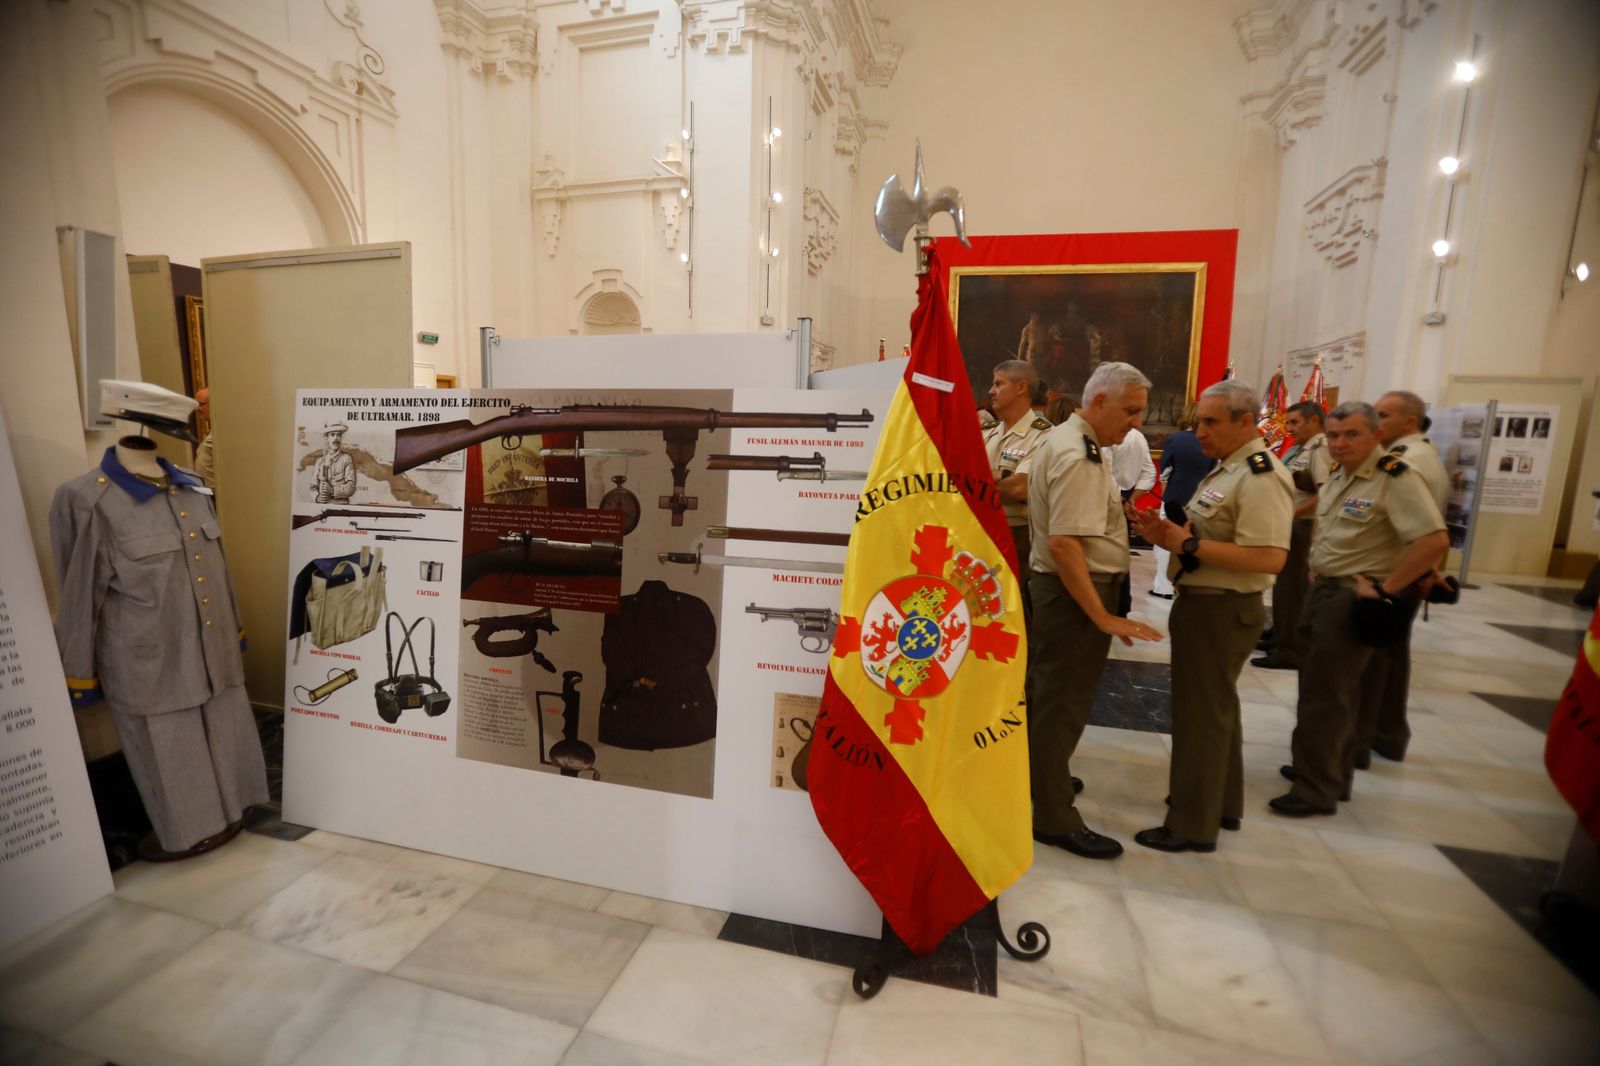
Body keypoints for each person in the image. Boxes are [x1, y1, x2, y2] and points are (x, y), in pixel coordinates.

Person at [1132, 380, 1292, 851]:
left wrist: (1190, 544)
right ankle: (1220, 804)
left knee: (1200, 717)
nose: (1199, 431)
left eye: (1211, 422)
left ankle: (1189, 824)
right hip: (1206, 602)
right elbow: (1208, 535)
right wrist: (1165, 533)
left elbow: (1269, 557)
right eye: (1199, 420)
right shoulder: (1230, 468)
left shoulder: (1259, 475)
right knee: (1218, 712)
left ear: (1246, 421)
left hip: (1222, 608)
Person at [1271, 401, 1447, 817]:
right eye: (1333, 435)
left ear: (1375, 436)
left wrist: (1387, 587)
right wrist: (1317, 565)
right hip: (1325, 590)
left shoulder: (1394, 477)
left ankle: (1315, 788)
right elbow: (1327, 524)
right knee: (1328, 688)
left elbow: (1432, 540)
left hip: (1351, 598)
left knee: (1326, 695)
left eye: (1351, 434)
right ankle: (1328, 770)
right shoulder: (1340, 476)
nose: (1339, 443)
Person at [1025, 362, 1164, 859]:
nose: (1136, 422)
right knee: (1061, 705)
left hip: (1064, 590)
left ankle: (1045, 779)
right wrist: (1103, 616)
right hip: (1074, 596)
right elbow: (1065, 545)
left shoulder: (1070, 440)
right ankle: (1053, 816)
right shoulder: (1078, 453)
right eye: (1130, 410)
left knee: (1050, 698)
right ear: (1099, 401)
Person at [1352, 390, 1450, 763]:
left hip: (1391, 575)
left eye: (1383, 415)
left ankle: (1361, 741)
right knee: (1390, 660)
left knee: (1373, 666)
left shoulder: (1406, 462)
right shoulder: (1421, 454)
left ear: (1409, 421)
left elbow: (1423, 530)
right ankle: (1387, 734)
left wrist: (1392, 583)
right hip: (1404, 573)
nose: (1377, 422)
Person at [1253, 401, 1330, 669]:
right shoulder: (1302, 449)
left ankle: (1292, 649)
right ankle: (1280, 635)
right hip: (1293, 524)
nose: (1290, 428)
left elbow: (1324, 494)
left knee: (1294, 590)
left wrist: (1290, 515)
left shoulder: (1321, 449)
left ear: (1314, 422)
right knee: (1284, 588)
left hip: (1304, 526)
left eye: (1295, 422)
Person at [983, 360, 1053, 628]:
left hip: (1018, 537)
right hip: (978, 532)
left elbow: (1020, 488)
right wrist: (999, 476)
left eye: (999, 383)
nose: (991, 390)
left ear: (1022, 387)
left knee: (1014, 621)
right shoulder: (987, 433)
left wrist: (977, 481)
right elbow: (957, 480)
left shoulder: (1044, 436)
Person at [1150, 403, 1214, 599]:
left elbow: (1166, 468)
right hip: (1201, 497)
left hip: (1175, 494)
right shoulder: (1211, 440)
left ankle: (1163, 586)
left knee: (1167, 541)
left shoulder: (1176, 439)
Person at [314, 422, 357, 504]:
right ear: (327, 438)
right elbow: (313, 486)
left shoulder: (347, 459)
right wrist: (317, 497)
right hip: (321, 507)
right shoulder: (320, 461)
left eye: (339, 435)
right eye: (332, 435)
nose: (336, 438)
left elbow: (351, 487)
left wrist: (332, 490)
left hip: (341, 509)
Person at [192, 387, 216, 484]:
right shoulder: (211, 432)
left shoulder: (222, 434)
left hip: (217, 495)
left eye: (201, 404)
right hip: (206, 494)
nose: (197, 409)